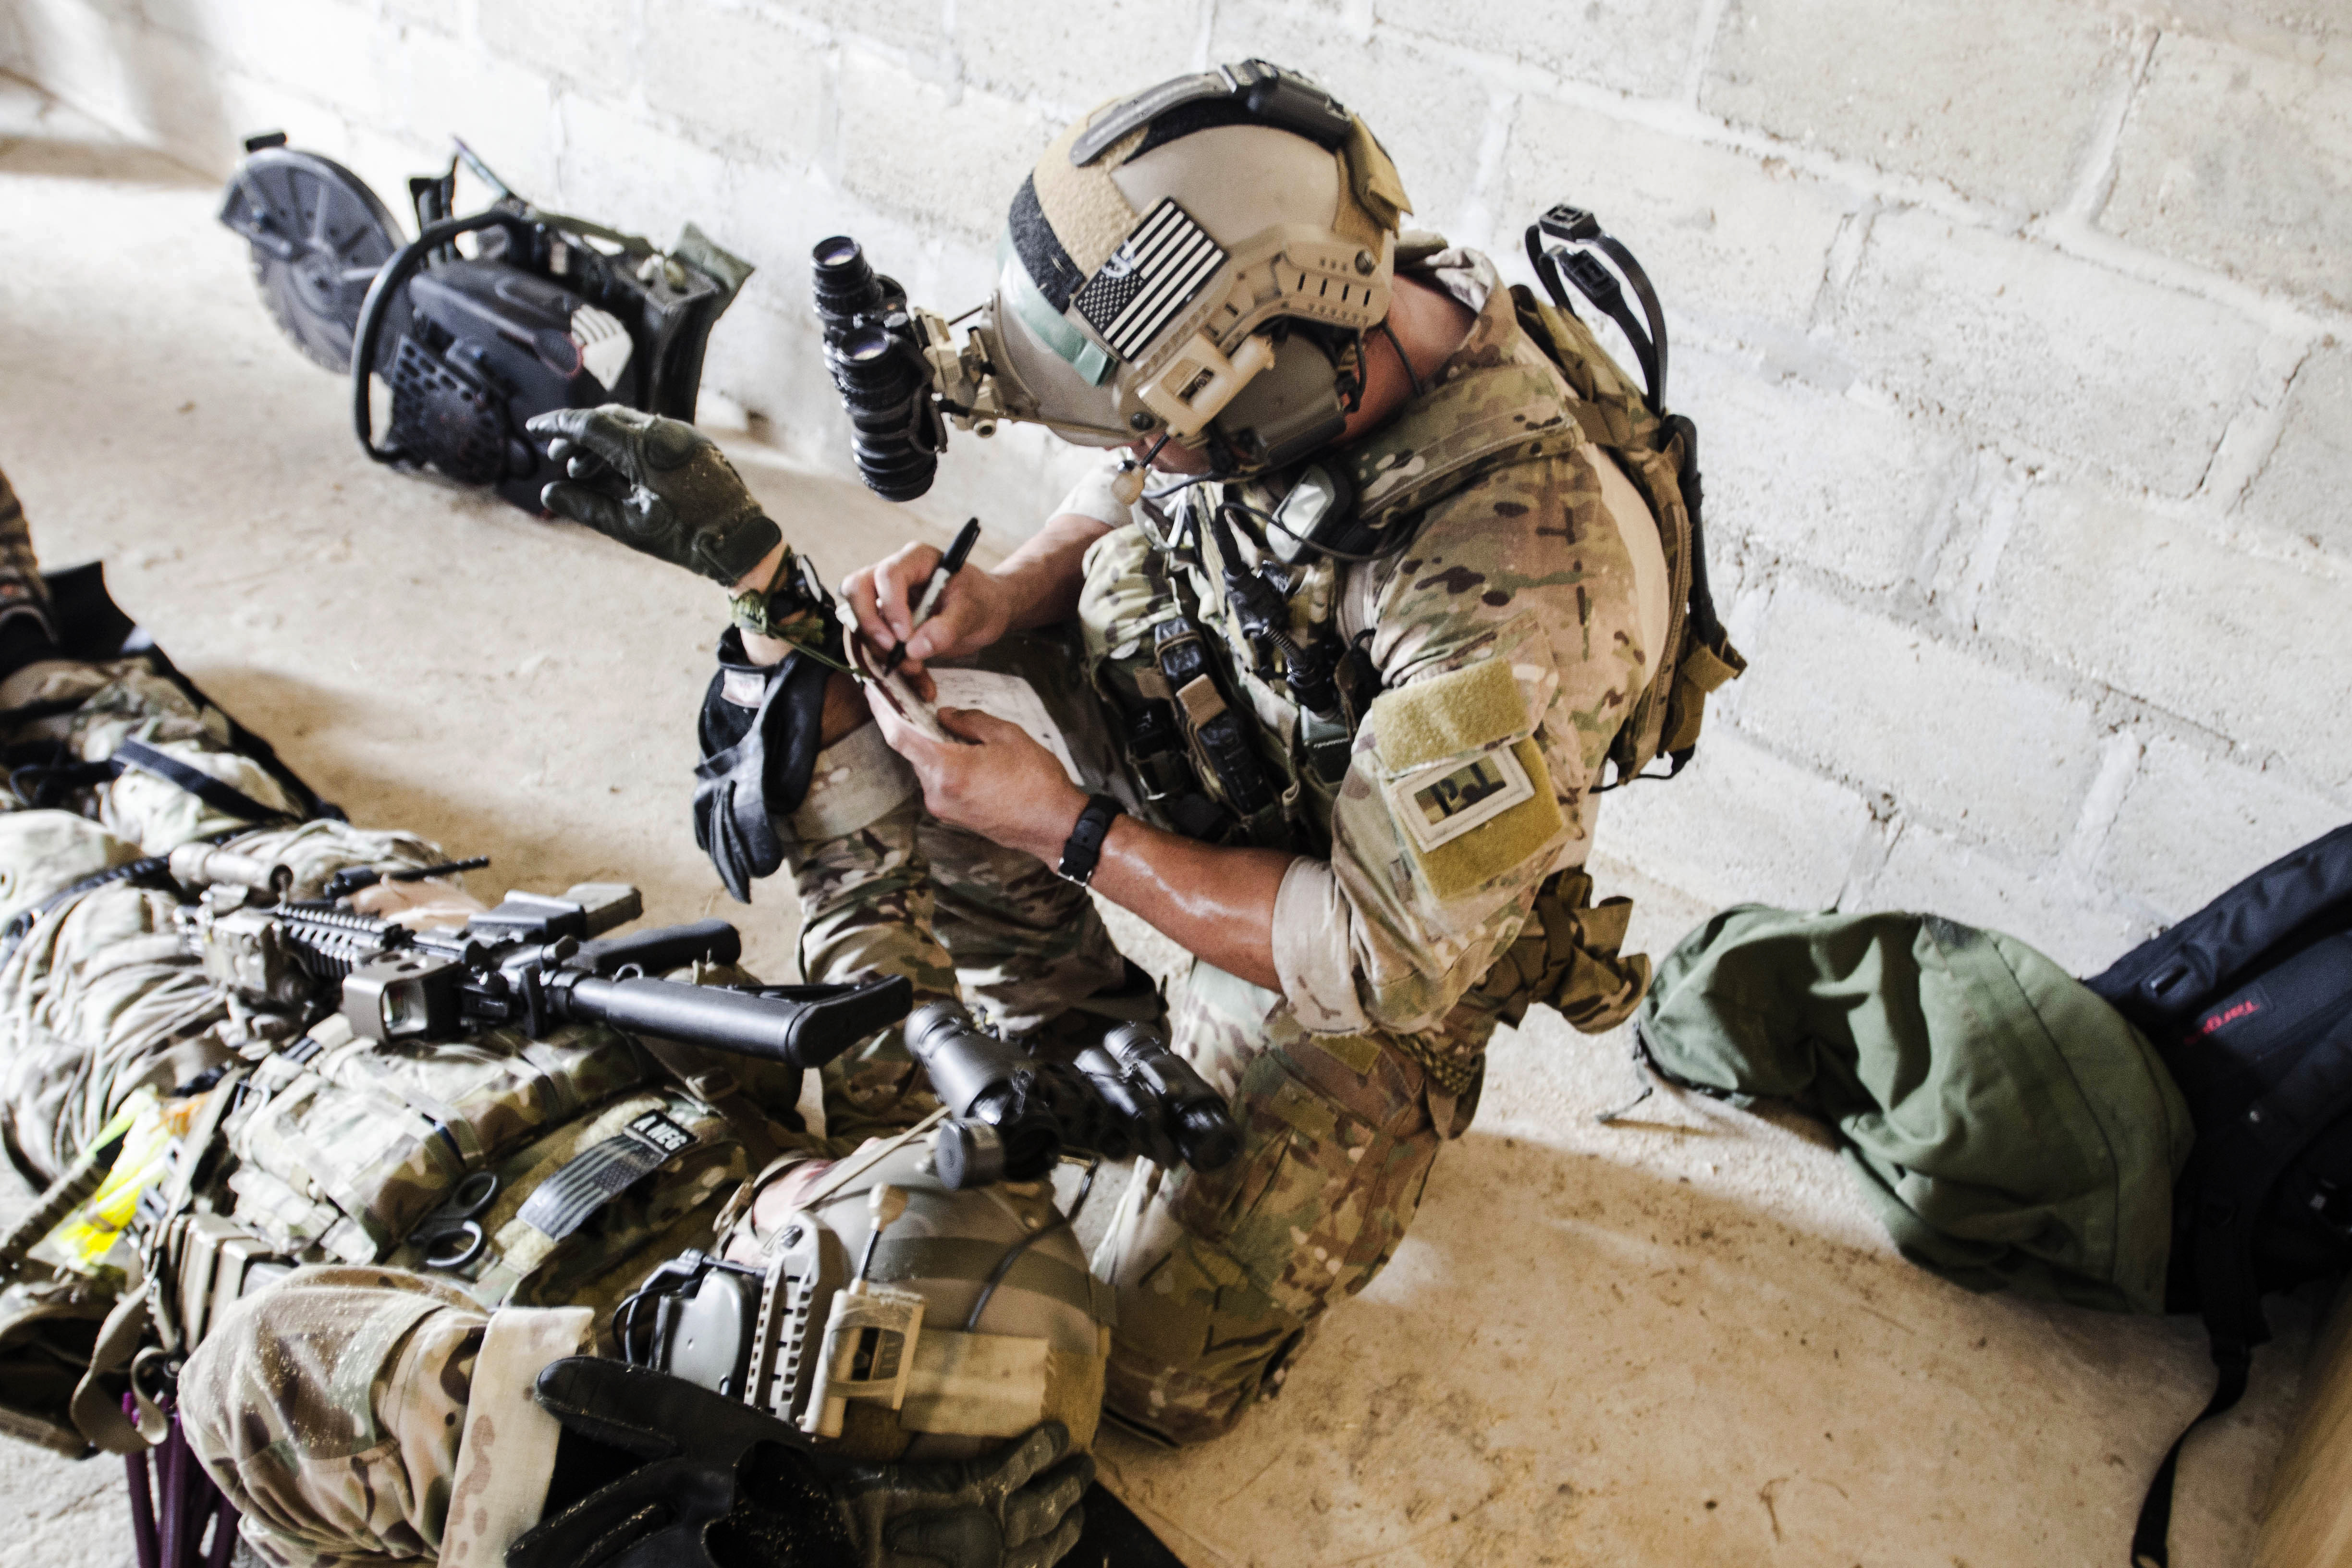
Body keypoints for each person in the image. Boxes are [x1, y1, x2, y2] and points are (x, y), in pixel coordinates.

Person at [529, 58, 1741, 1445]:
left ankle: (1284, 1101)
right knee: (905, 698)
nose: (1146, 458)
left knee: (1148, 1373)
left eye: (1166, 436)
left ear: (1264, 392)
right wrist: (1001, 600)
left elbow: (1378, 955)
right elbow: (1131, 483)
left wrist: (1065, 828)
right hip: (1252, 729)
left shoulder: (1526, 591)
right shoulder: (1323, 311)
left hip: (1378, 924)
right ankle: (1084, 1037)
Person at [0, 462, 1096, 1568]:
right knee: (186, 778)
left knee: (48, 878)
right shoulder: (907, 1215)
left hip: (197, 1104)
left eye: (802, 1224)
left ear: (764, 1352)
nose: (814, 1175)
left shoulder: (531, 1494)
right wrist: (770, 597)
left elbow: (259, 1372)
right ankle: (32, 655)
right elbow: (868, 900)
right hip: (424, 967)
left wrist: (596, 1458)